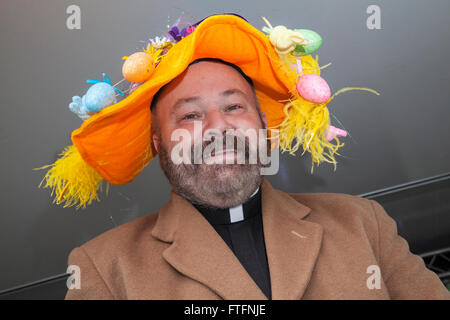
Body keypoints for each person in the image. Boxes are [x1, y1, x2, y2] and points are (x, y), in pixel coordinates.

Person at [37, 14, 450, 299]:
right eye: (190, 115)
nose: (218, 127)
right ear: (159, 143)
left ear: (261, 125)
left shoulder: (363, 224)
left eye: (234, 107)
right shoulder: (103, 269)